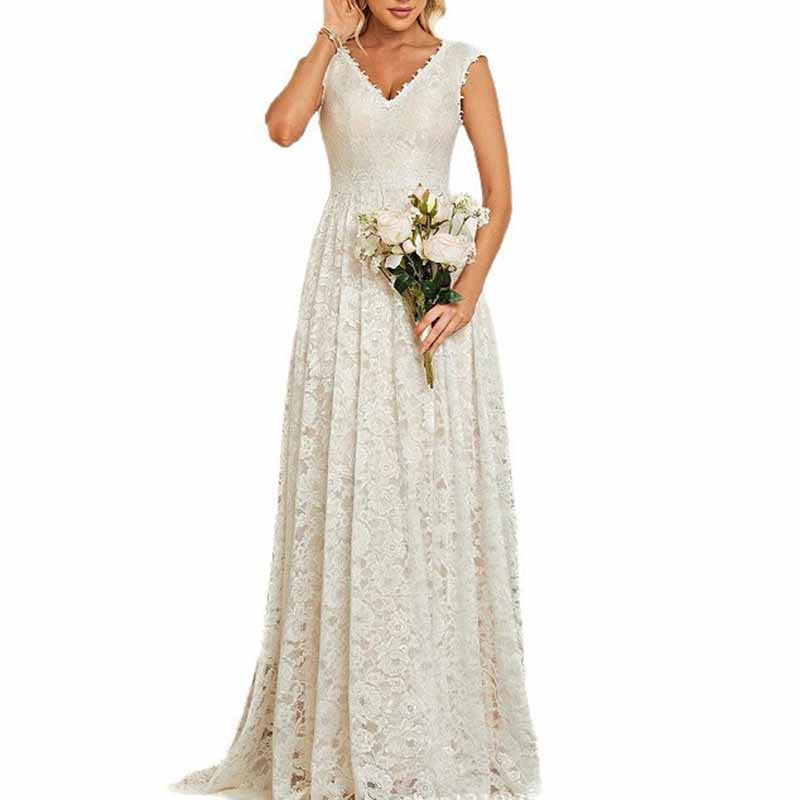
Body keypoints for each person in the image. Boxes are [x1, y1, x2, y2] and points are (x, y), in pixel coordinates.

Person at [171, 1, 541, 797]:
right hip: (345, 296)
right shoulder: (334, 59)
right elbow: (281, 129)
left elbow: (500, 195)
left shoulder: (465, 64)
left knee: (429, 492)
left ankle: (438, 720)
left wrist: (465, 294)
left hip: (433, 304)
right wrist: (326, 39)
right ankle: (343, 722)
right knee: (352, 487)